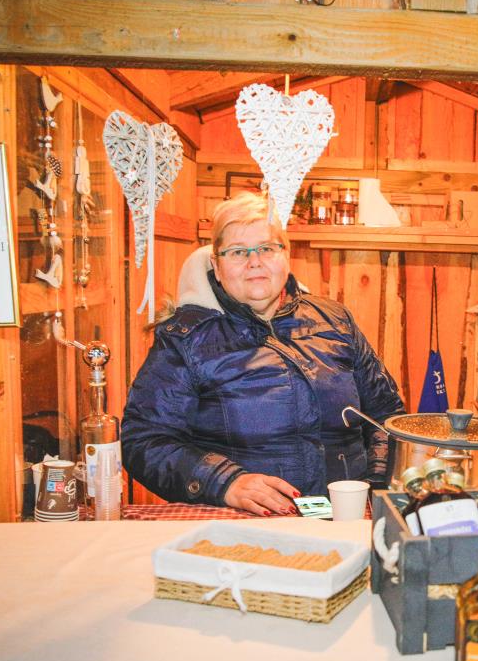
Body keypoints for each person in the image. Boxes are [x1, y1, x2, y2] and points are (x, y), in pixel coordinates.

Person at [122, 192, 405, 514]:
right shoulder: (185, 339)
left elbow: (387, 415)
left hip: (346, 515)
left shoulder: (335, 320)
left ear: (287, 255)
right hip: (241, 522)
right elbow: (144, 440)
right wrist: (225, 482)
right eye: (238, 252)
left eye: (267, 248)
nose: (254, 262)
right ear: (216, 265)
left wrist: (376, 483)